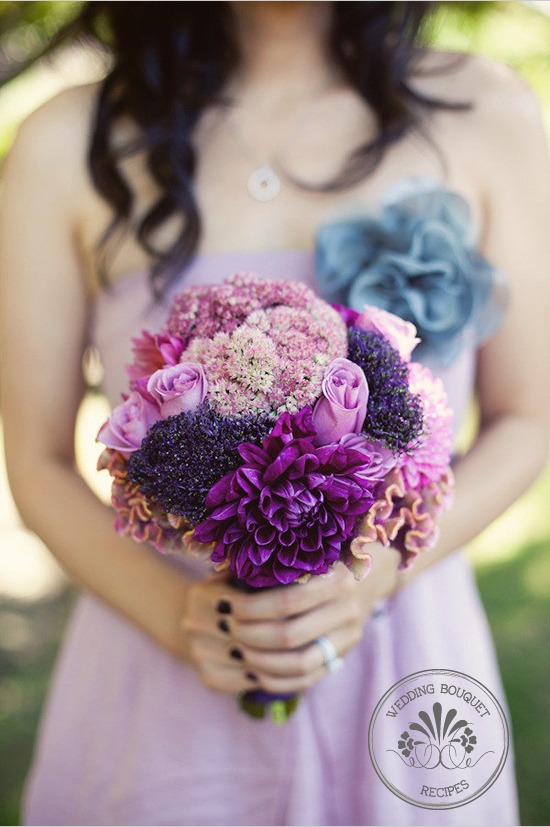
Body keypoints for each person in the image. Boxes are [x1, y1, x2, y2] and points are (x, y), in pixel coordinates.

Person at [0, 2, 549, 825]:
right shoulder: (65, 143)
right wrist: (188, 621)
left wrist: (373, 579)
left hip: (404, 663)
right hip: (158, 677)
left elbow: (529, 418)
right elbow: (36, 461)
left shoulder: (491, 115)